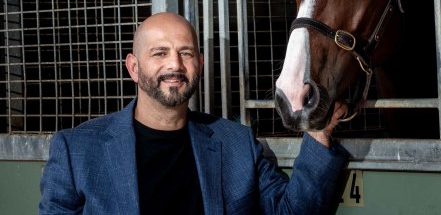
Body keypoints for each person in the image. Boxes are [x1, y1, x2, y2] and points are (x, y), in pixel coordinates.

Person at [39, 11, 349, 215]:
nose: (174, 65)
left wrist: (318, 132)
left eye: (185, 53)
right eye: (160, 53)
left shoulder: (236, 143)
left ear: (198, 64)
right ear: (134, 67)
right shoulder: (76, 150)